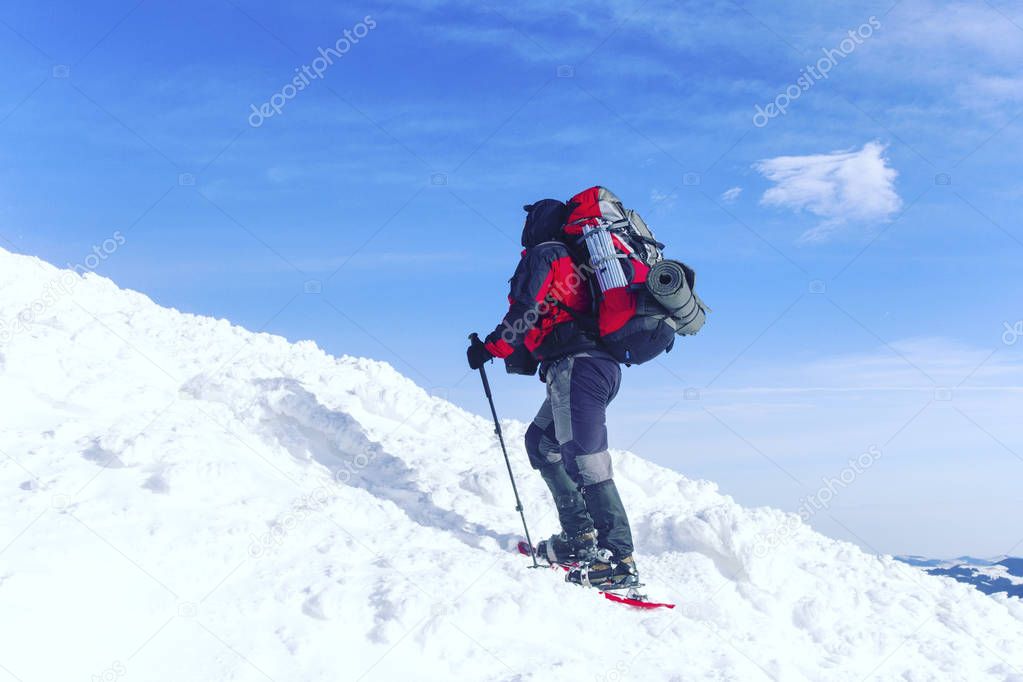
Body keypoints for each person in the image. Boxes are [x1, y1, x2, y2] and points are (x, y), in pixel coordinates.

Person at [466, 199, 638, 589]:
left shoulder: (546, 254)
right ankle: (579, 538)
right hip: (588, 368)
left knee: (586, 460)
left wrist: (491, 349)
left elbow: (527, 309)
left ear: (538, 223)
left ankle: (619, 558)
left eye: (528, 219)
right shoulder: (570, 258)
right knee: (542, 445)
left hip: (579, 367)